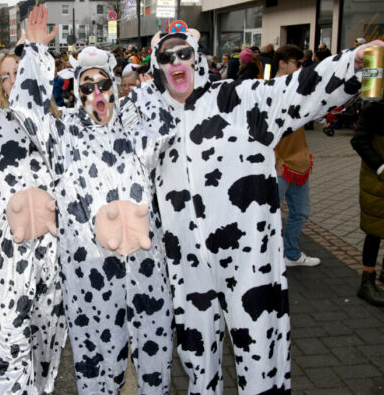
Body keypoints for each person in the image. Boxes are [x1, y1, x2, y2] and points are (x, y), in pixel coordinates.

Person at [123, 28, 382, 394]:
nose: (176, 62)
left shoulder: (237, 99)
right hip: (187, 265)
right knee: (198, 360)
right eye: (166, 57)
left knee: (261, 353)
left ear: (196, 57)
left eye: (183, 53)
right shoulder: (147, 118)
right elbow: (99, 136)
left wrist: (351, 64)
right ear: (156, 66)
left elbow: (298, 88)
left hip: (249, 262)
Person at [9, 6, 174, 394]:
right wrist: (33, 53)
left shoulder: (134, 128)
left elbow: (168, 124)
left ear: (114, 89)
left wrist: (163, 59)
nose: (96, 93)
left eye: (103, 85)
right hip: (90, 278)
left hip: (146, 270)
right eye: (86, 86)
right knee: (97, 366)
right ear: (76, 92)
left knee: (156, 363)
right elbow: (26, 112)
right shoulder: (63, 133)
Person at [0, 51, 67, 395]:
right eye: (6, 76)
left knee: (47, 336)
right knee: (5, 338)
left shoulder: (59, 124)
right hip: (2, 256)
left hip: (51, 254)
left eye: (21, 72)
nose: (14, 81)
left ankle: (42, 387)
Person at [271, 45, 320, 267]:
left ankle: (290, 254)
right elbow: (262, 132)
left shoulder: (298, 89)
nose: (301, 67)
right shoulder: (270, 90)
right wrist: (276, 161)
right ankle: (267, 259)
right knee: (269, 217)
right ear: (283, 63)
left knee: (300, 212)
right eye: (297, 64)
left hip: (299, 164)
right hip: (279, 167)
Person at [351, 100, 384, 306]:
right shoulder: (375, 108)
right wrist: (381, 166)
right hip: (377, 180)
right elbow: (359, 140)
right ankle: (367, 280)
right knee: (375, 230)